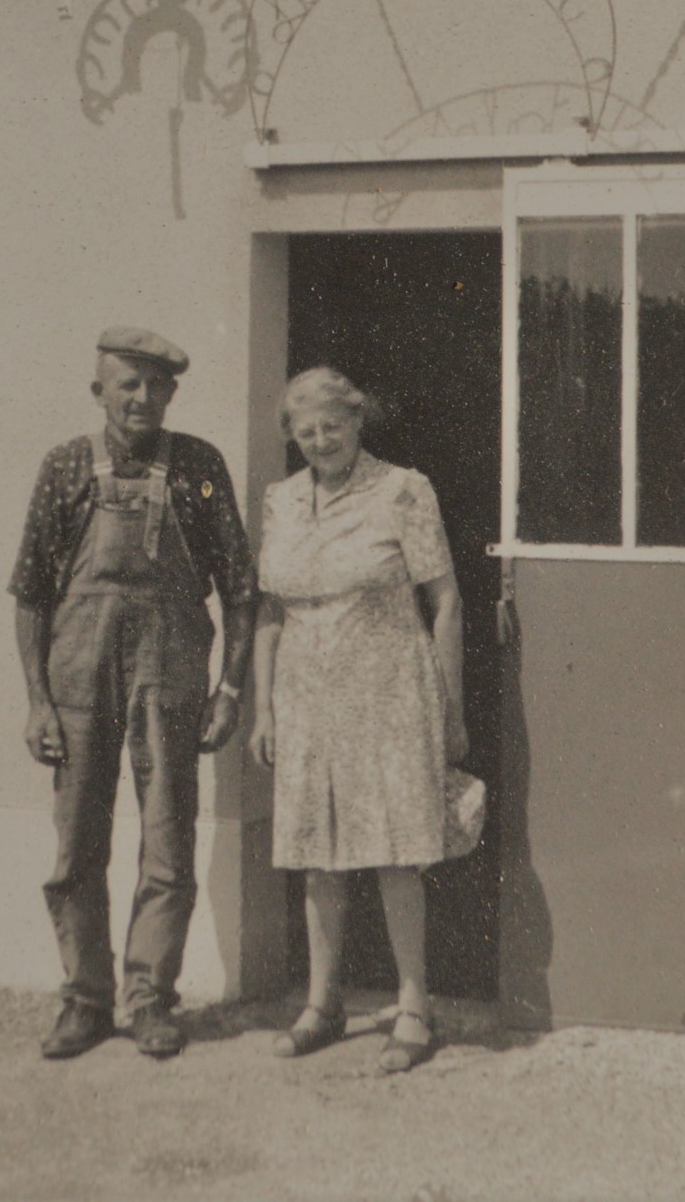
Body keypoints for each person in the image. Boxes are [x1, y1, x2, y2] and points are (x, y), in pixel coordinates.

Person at [9, 327, 256, 1060]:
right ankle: (85, 1000)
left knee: (168, 836)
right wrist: (37, 700)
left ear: (171, 392)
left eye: (155, 385)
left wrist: (230, 688)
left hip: (169, 664)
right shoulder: (64, 466)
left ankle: (149, 999)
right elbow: (30, 591)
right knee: (76, 841)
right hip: (78, 669)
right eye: (127, 384)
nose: (142, 397)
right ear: (99, 392)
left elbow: (240, 588)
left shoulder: (199, 467)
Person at [248, 367, 467, 1074]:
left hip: (389, 691)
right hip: (305, 698)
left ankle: (413, 1007)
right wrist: (263, 708)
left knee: (395, 851)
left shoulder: (403, 489)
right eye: (306, 432)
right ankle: (322, 1003)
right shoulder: (281, 499)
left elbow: (445, 602)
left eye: (332, 427)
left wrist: (451, 708)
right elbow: (269, 612)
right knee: (316, 853)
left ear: (358, 420)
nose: (320, 441)